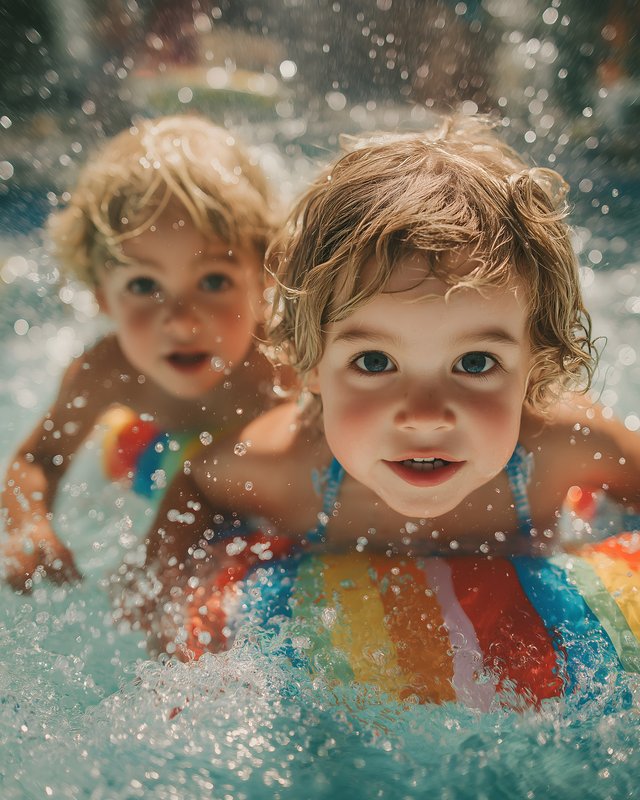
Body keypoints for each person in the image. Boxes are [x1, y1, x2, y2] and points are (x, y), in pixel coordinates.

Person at [131, 115, 640, 706]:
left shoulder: (559, 449)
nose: (424, 415)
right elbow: (197, 484)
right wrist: (169, 607)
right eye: (374, 362)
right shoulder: (292, 469)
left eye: (475, 363)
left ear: (536, 361)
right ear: (311, 364)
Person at [1, 114, 284, 591]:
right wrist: (26, 525)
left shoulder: (283, 366)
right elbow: (39, 459)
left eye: (213, 281)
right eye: (144, 285)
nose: (180, 320)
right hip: (139, 446)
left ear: (265, 278)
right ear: (102, 296)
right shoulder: (107, 372)